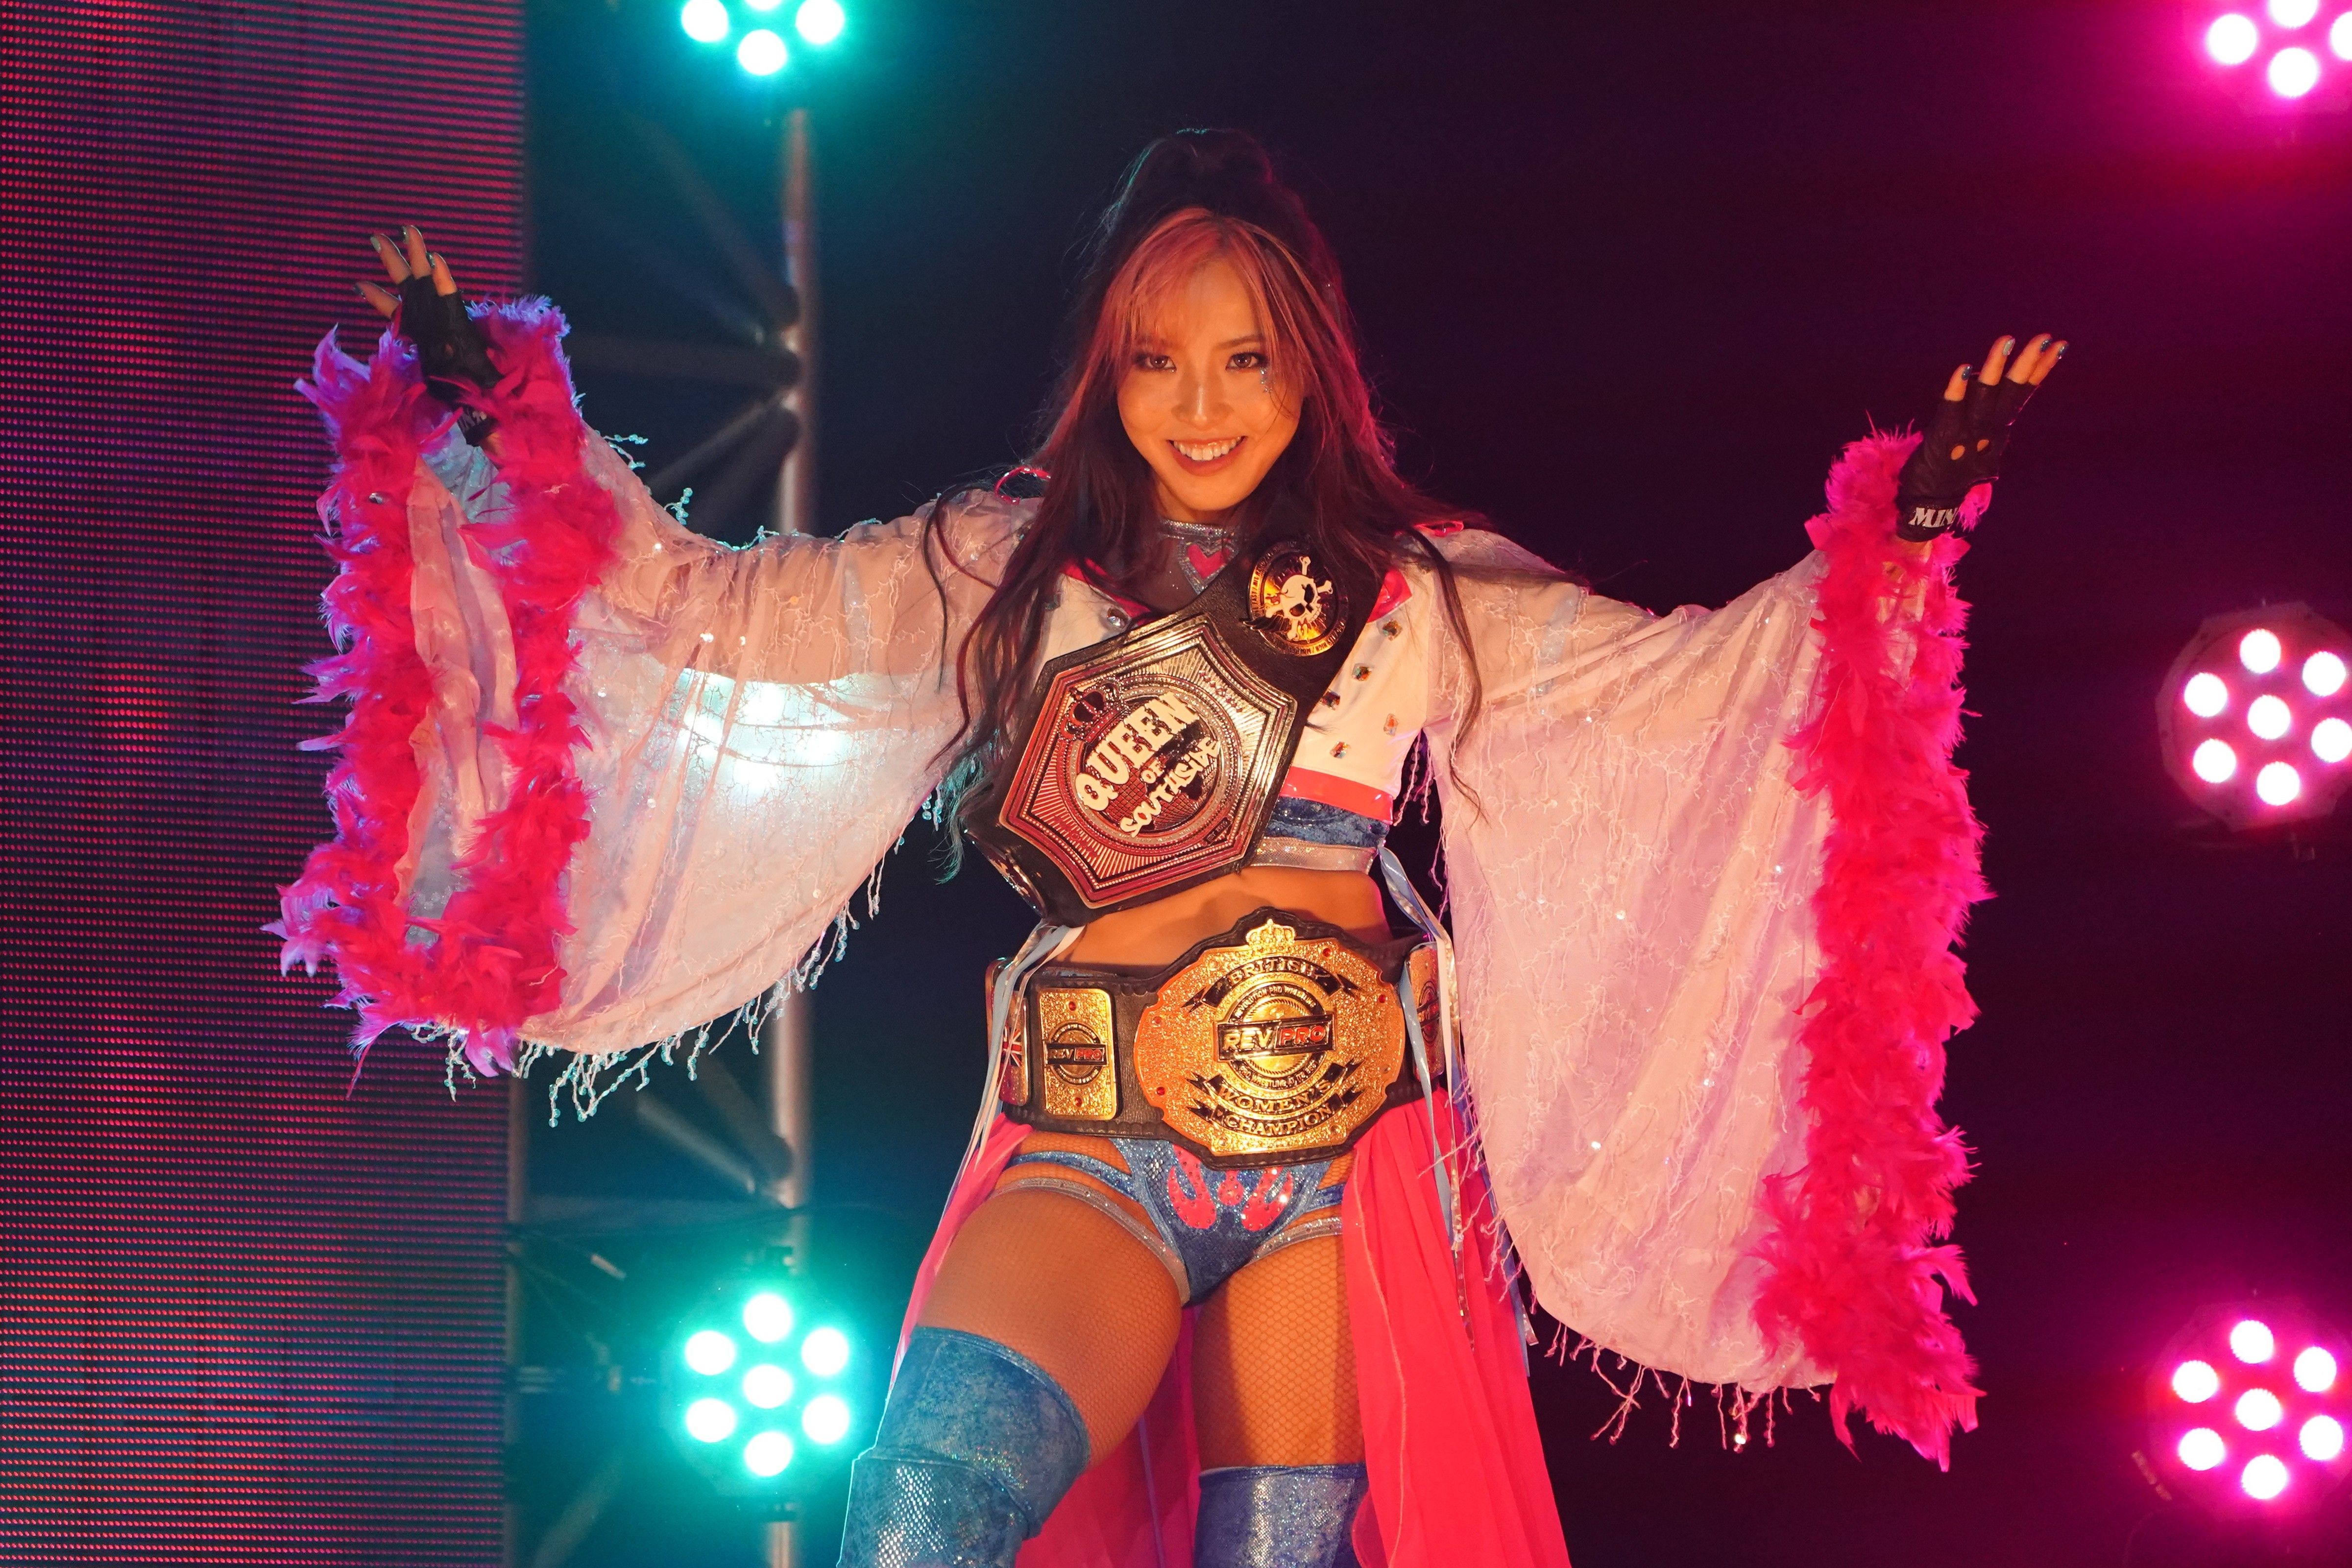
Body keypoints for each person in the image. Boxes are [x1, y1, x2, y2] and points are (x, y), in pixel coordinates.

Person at [285, 130, 2061, 1568]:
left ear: (1312, 372)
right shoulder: (996, 566)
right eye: (1155, 361)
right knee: (919, 1513)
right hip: (1091, 1143)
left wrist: (1897, 535)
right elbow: (706, 614)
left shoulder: (1423, 586)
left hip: (1340, 1171)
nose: (1198, 404)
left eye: (1244, 359)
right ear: (1106, 368)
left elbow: (1691, 687)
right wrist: (505, 414)